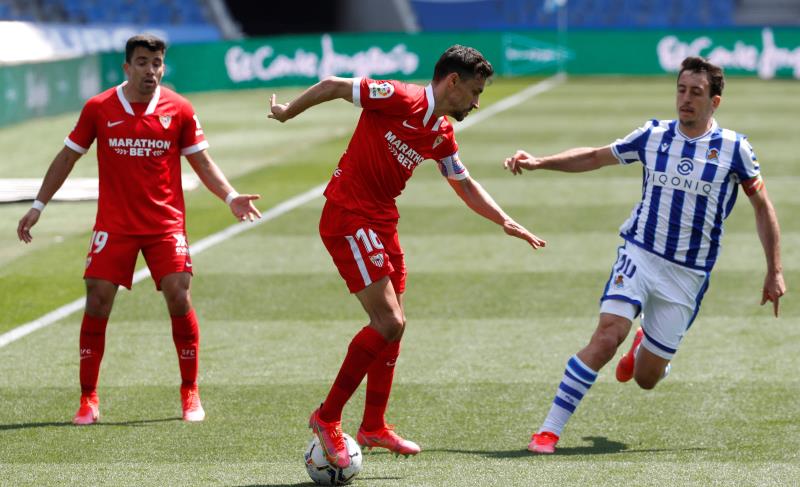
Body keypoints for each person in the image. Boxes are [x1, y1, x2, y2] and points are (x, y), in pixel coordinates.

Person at [268, 45, 546, 467]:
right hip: (348, 213)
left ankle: (374, 426)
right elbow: (334, 86)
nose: (476, 102)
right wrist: (289, 112)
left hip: (382, 221)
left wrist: (504, 220)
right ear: (451, 81)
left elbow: (464, 183)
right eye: (474, 92)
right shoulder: (399, 97)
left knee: (396, 326)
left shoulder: (441, 132)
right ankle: (327, 418)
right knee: (388, 322)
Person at [503, 56, 785, 454]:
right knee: (605, 338)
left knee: (646, 378)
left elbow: (763, 207)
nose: (685, 99)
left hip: (687, 276)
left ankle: (644, 346)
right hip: (640, 253)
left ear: (715, 102)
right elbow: (596, 156)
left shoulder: (735, 149)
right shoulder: (653, 136)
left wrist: (774, 270)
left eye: (696, 93)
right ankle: (547, 431)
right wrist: (540, 162)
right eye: (681, 90)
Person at [16, 34, 261, 425]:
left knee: (179, 294)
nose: (151, 70)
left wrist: (230, 196)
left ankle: (190, 391)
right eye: (143, 62)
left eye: (157, 63)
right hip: (115, 225)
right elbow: (67, 157)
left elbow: (202, 162)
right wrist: (38, 205)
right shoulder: (99, 108)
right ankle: (88, 399)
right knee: (97, 300)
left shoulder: (179, 108)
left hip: (165, 224)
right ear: (127, 67)